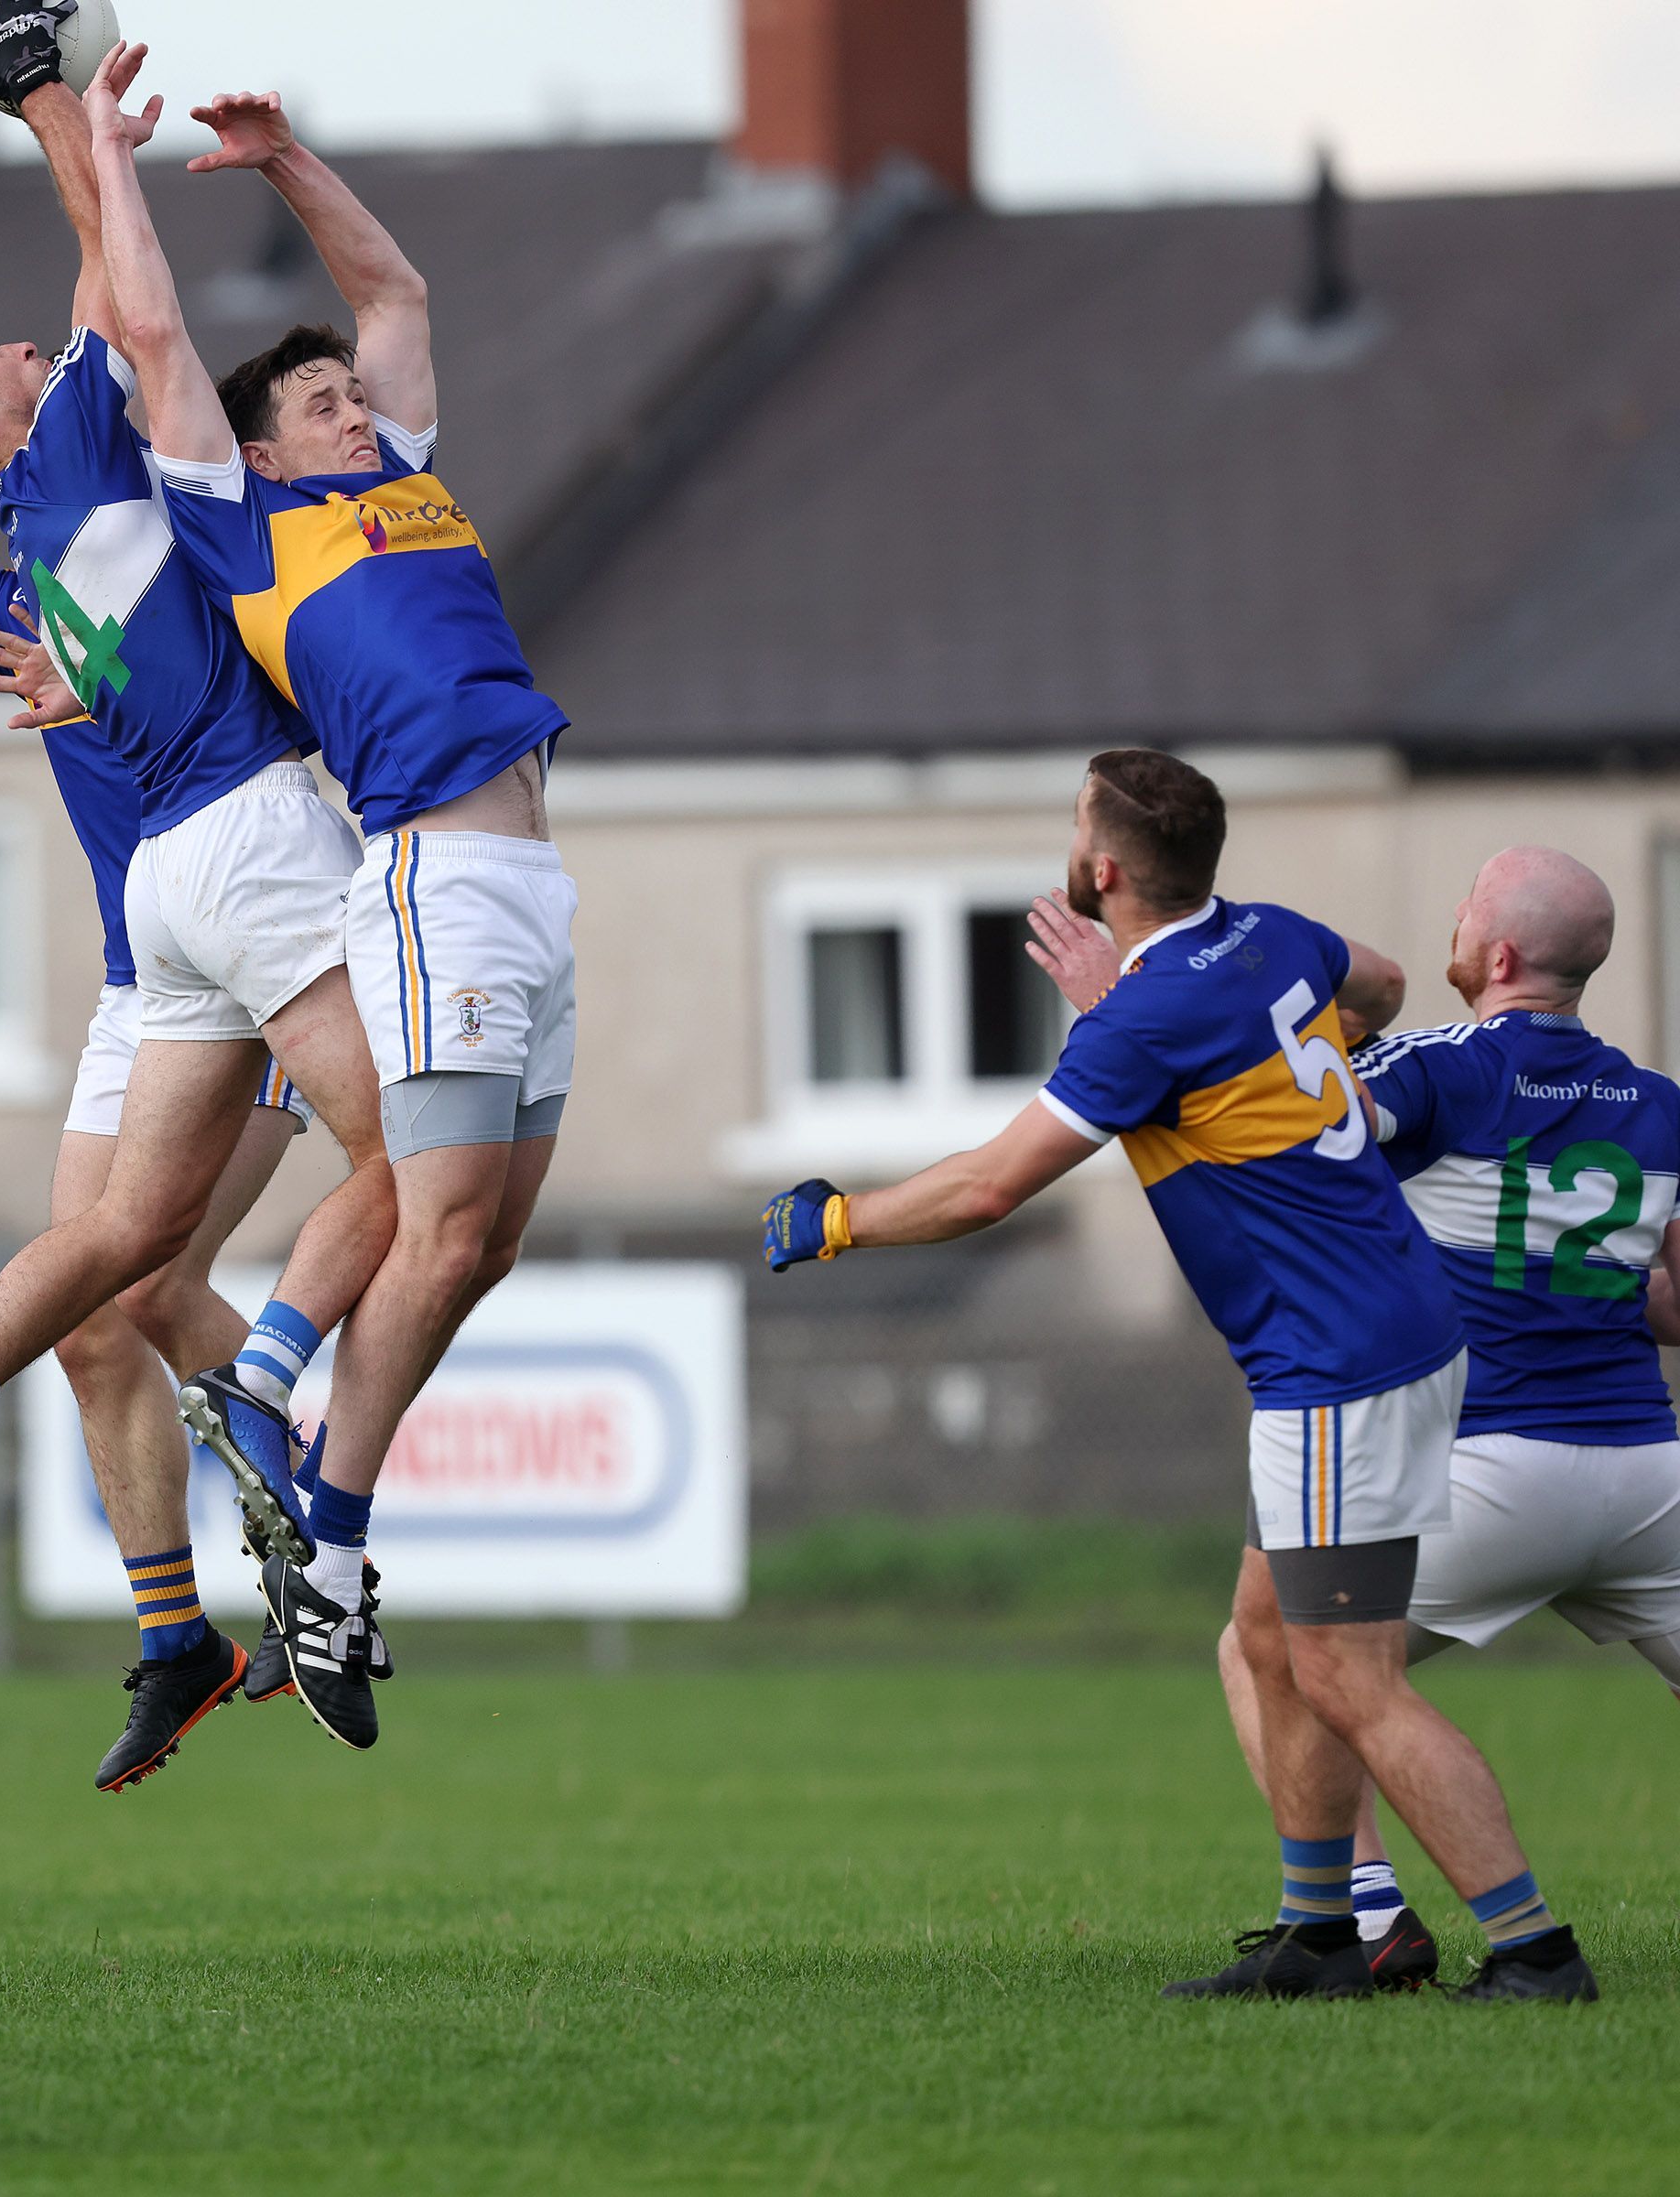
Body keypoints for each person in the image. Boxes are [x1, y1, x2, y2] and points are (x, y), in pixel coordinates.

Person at [764, 749, 1594, 2004]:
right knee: (1266, 1643)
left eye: (1079, 826)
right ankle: (1324, 1932)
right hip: (1397, 1331)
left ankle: (1533, 1949)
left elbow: (991, 1185)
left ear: (1103, 869)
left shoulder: (1146, 1018)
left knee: (1347, 1679)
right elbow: (1380, 981)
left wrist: (840, 1221)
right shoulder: (1267, 936)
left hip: (1335, 1371)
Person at [0, 5, 402, 1767]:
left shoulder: (37, 553)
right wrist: (49, 96)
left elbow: (100, 266)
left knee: (120, 1272)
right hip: (229, 879)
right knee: (382, 1181)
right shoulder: (62, 463)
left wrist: (62, 114)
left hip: (174, 910)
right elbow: (108, 271)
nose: (23, 334)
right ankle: (280, 1445)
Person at [81, 48, 580, 1748]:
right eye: (321, 406)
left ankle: (331, 1554)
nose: (351, 410)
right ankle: (292, 1431)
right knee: (431, 1223)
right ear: (261, 448)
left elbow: (397, 287)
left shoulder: (404, 479)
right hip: (432, 878)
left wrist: (288, 159)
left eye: (353, 400)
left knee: (483, 1245)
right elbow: (153, 340)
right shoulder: (249, 524)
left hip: (531, 881)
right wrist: (104, 157)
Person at [1184, 848, 1673, 1994]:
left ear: (1495, 955)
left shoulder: (1440, 1068)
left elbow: (1295, 1136)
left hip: (1487, 1467)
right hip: (1649, 1472)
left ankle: (1378, 1921)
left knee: (1286, 1661)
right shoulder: (1659, 1106)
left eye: (1464, 910)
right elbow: (1673, 1306)